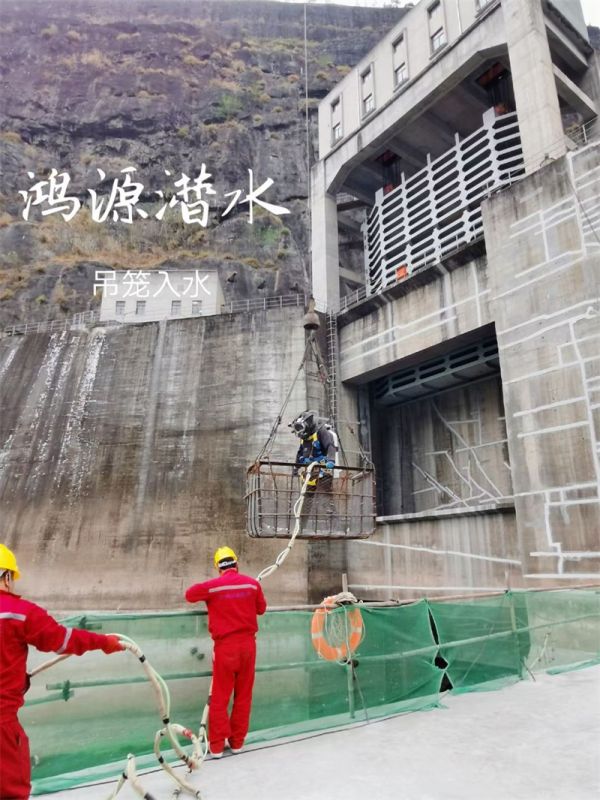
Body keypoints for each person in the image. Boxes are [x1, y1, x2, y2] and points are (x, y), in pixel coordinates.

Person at [0, 544, 125, 800]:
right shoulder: (19, 613)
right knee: (11, 790)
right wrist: (104, 642)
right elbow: (62, 639)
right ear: (7, 576)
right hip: (2, 727)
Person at [185, 547, 266, 759]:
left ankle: (217, 746)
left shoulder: (212, 587)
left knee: (220, 697)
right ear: (236, 564)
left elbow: (189, 595)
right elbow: (261, 609)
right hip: (248, 647)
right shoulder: (252, 584)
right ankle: (237, 742)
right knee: (244, 695)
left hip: (225, 648)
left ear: (218, 567)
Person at [290, 410, 338, 533]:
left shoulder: (321, 431)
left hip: (323, 471)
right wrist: (296, 467)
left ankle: (335, 527)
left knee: (325, 499)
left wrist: (331, 460)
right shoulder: (304, 438)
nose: (300, 433)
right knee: (306, 500)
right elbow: (300, 453)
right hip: (310, 473)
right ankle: (301, 528)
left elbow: (330, 446)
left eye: (300, 428)